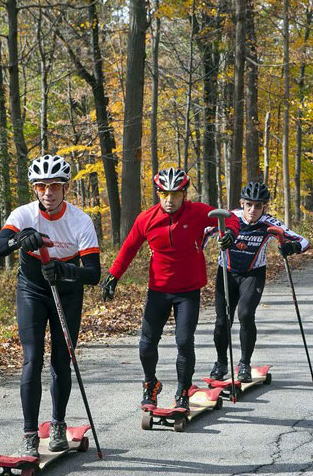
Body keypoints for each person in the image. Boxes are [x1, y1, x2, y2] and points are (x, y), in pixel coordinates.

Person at [101, 167, 240, 410]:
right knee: (146, 344)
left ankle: (183, 390)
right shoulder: (147, 218)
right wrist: (113, 276)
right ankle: (150, 384)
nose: (169, 200)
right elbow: (129, 249)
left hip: (188, 291)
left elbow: (229, 217)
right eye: (164, 194)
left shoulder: (198, 212)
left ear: (184, 194)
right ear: (158, 193)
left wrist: (229, 232)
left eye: (175, 194)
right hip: (159, 290)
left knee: (184, 342)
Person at [0, 154, 101, 458]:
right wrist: (19, 240)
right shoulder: (24, 214)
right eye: (41, 186)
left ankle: (57, 425)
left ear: (65, 188)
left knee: (61, 362)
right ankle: (29, 434)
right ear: (35, 189)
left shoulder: (79, 220)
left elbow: (93, 274)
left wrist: (65, 271)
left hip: (68, 292)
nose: (48, 193)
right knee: (32, 359)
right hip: (32, 290)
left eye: (54, 186)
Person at [206, 181, 309, 383]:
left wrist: (291, 248)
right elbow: (203, 234)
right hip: (226, 272)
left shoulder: (269, 223)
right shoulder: (228, 218)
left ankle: (244, 363)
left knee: (245, 314)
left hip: (253, 274)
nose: (253, 210)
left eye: (258, 206)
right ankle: (221, 363)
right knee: (221, 321)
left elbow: (304, 241)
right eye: (249, 205)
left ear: (265, 207)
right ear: (241, 203)